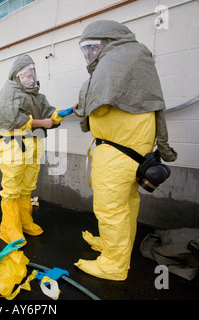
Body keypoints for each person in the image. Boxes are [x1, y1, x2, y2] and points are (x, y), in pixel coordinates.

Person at [73, 20, 177, 280]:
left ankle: (113, 265)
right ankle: (116, 248)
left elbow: (98, 108)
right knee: (126, 207)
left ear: (106, 42)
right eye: (85, 50)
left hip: (116, 153)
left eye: (91, 48)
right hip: (134, 151)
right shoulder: (136, 57)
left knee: (110, 211)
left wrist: (83, 105)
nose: (89, 55)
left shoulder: (113, 60)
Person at [0, 54, 67, 246]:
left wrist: (60, 114)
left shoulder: (37, 96)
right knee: (11, 188)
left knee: (27, 187)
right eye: (26, 75)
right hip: (13, 145)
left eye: (32, 74)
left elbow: (49, 114)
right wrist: (43, 122)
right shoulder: (10, 91)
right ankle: (10, 230)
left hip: (33, 145)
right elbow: (12, 118)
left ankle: (25, 222)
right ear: (17, 76)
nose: (31, 78)